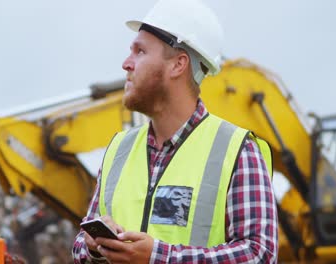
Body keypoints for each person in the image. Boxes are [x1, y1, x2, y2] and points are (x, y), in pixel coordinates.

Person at [72, 0, 277, 263]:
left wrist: (159, 258)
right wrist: (93, 247)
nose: (126, 63)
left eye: (140, 52)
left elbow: (259, 255)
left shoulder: (237, 150)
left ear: (178, 65)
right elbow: (79, 245)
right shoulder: (118, 150)